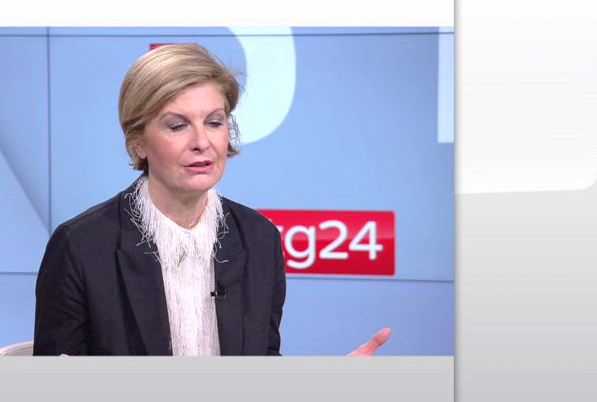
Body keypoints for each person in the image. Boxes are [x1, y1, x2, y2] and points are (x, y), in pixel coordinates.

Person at [33, 43, 390, 356]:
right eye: (177, 125)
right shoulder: (81, 246)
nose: (202, 142)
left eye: (215, 122)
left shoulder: (259, 238)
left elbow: (263, 369)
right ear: (138, 141)